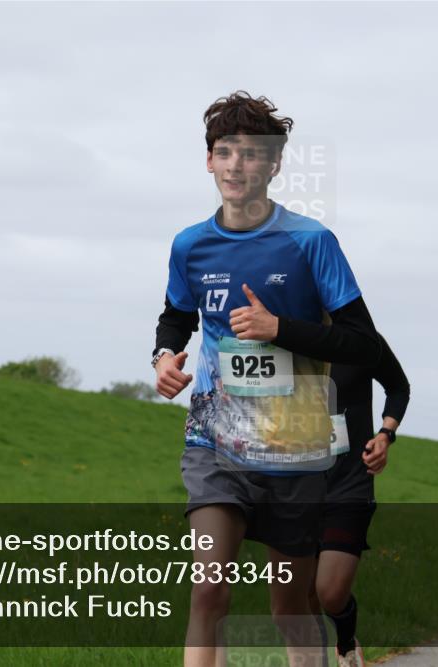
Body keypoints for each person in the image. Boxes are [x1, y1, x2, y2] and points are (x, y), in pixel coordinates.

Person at [152, 91, 382, 667]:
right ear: (209, 161)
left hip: (293, 447)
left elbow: (361, 341)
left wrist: (280, 327)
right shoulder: (190, 244)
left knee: (290, 608)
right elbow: (178, 312)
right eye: (224, 152)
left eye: (252, 154)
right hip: (214, 439)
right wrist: (164, 354)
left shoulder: (312, 242)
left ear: (275, 164)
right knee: (208, 589)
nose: (236, 165)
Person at [309, 334, 409, 667]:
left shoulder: (358, 336)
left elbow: (398, 387)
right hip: (294, 483)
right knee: (302, 595)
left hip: (349, 481)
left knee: (330, 592)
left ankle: (346, 639)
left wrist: (386, 434)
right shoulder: (281, 331)